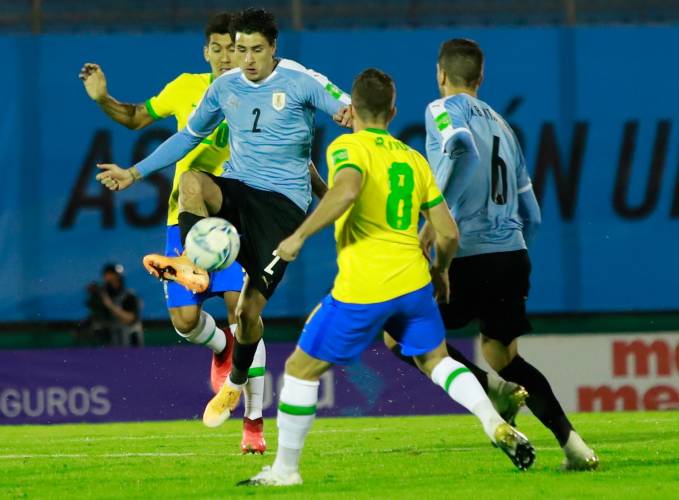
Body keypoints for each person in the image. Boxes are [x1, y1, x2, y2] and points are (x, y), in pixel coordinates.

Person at [241, 68, 535, 486]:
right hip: (414, 283)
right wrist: (440, 270)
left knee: (299, 369)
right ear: (393, 111)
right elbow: (447, 231)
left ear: (353, 108)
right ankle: (493, 421)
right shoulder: (414, 159)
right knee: (436, 360)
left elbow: (345, 191)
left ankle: (285, 471)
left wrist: (299, 235)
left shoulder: (348, 147)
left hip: (365, 286)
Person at [93, 8, 351, 428]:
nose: (246, 59)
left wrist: (346, 114)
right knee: (192, 183)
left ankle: (235, 383)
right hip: (237, 191)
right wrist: (134, 172)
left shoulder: (302, 80)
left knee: (249, 313)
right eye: (240, 49)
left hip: (282, 207)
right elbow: (186, 137)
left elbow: (348, 107)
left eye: (255, 50)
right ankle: (191, 266)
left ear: (273, 49)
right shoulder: (224, 87)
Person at [78, 12, 267, 453]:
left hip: (240, 219)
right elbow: (137, 116)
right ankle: (220, 348)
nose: (225, 57)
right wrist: (103, 99)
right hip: (186, 221)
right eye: (216, 49)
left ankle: (253, 426)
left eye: (232, 48)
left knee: (246, 317)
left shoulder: (261, 92)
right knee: (185, 324)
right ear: (206, 52)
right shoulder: (187, 86)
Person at [418, 38, 597, 471]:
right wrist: (516, 258)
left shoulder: (440, 110)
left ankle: (489, 390)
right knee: (506, 356)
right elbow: (531, 214)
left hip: (465, 254)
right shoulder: (504, 126)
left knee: (401, 333)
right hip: (511, 255)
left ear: (441, 74)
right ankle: (574, 445)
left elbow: (461, 147)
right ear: (481, 78)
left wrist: (436, 218)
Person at [79, 263, 144, 347]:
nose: (111, 278)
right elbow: (96, 316)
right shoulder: (102, 295)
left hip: (129, 343)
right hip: (109, 344)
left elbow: (130, 319)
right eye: (108, 275)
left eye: (114, 275)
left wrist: (110, 305)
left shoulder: (129, 296)